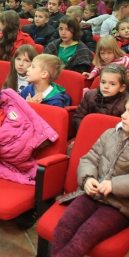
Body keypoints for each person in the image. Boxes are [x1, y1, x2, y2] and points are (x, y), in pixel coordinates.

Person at [51, 99, 129, 257]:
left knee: (84, 236)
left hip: (119, 205)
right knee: (64, 226)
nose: (124, 116)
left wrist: (114, 185)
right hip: (93, 195)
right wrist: (87, 179)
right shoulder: (110, 134)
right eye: (126, 110)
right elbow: (90, 159)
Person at [73, 65, 129, 132]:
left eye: (112, 84)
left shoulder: (126, 102)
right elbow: (78, 118)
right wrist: (88, 132)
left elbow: (124, 127)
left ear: (122, 88)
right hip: (89, 133)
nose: (106, 86)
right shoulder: (90, 95)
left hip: (113, 138)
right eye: (103, 82)